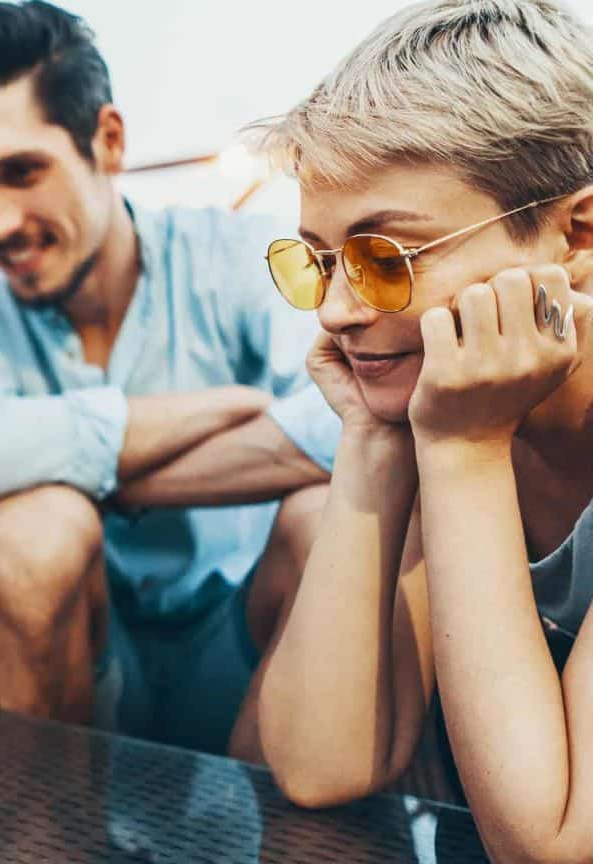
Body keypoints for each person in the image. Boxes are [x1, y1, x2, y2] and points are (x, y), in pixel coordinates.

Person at [0, 0, 340, 757]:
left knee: (325, 514)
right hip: (66, 649)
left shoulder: (230, 252)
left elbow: (346, 418)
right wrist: (221, 409)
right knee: (33, 528)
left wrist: (108, 475)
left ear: (108, 141)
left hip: (242, 634)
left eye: (21, 172)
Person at [251, 0, 593, 856]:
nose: (335, 309)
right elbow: (317, 765)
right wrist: (374, 443)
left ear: (577, 236)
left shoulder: (465, 430)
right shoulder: (444, 406)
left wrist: (464, 452)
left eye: (385, 258)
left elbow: (547, 845)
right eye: (320, 261)